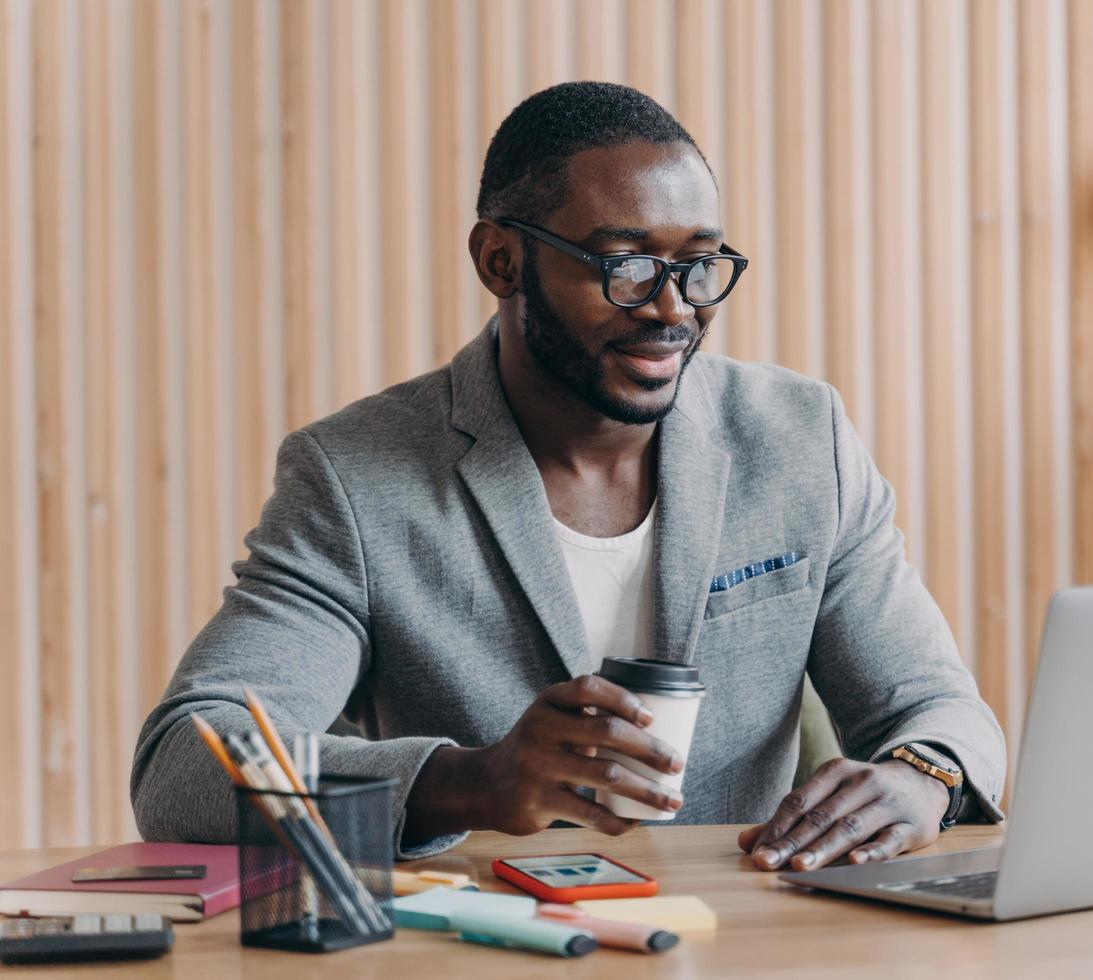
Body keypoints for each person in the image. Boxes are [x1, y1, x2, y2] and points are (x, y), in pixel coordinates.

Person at [131, 81, 1006, 873]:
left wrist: (922, 778)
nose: (673, 309)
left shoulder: (798, 439)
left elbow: (938, 709)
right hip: (481, 949)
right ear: (501, 262)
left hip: (750, 937)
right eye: (625, 267)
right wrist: (466, 781)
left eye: (699, 266)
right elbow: (184, 767)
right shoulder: (357, 477)